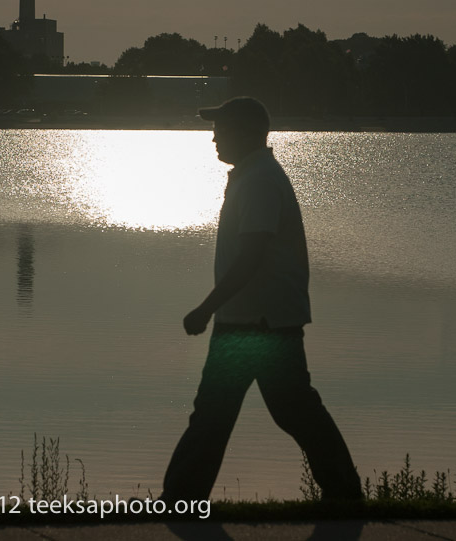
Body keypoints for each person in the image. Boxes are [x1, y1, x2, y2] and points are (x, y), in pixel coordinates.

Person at [161, 96, 362, 503]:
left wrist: (206, 308)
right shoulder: (252, 175)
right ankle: (344, 494)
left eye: (220, 129)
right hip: (258, 320)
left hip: (257, 324)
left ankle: (180, 500)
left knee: (242, 414)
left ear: (245, 133)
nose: (213, 138)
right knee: (282, 411)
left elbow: (251, 256)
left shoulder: (259, 181)